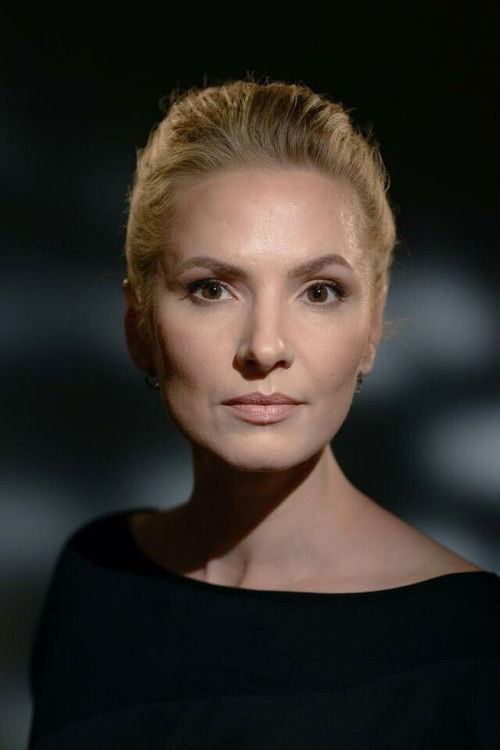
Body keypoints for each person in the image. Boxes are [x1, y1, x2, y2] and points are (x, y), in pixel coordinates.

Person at [28, 78, 499, 748]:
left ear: (372, 326)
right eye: (212, 288)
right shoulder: (95, 576)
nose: (265, 346)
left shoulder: (472, 649)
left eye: (320, 291)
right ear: (139, 325)